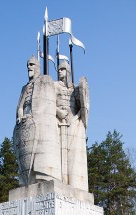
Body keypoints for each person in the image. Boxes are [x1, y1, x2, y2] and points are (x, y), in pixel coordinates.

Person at [13, 56, 61, 186]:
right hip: (26, 123)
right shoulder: (24, 87)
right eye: (28, 65)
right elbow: (20, 106)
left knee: (43, 157)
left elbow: (48, 104)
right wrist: (20, 115)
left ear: (38, 67)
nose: (29, 67)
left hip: (41, 122)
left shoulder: (45, 80)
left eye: (32, 64)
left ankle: (42, 177)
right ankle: (27, 179)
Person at [54, 61, 89, 191]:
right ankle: (61, 181)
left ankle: (71, 183)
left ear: (68, 71)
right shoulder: (54, 86)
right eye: (59, 69)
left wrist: (77, 117)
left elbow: (83, 106)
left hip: (72, 123)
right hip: (58, 122)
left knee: (71, 155)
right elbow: (48, 102)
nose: (59, 71)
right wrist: (58, 112)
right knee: (59, 155)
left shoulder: (74, 88)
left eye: (62, 69)